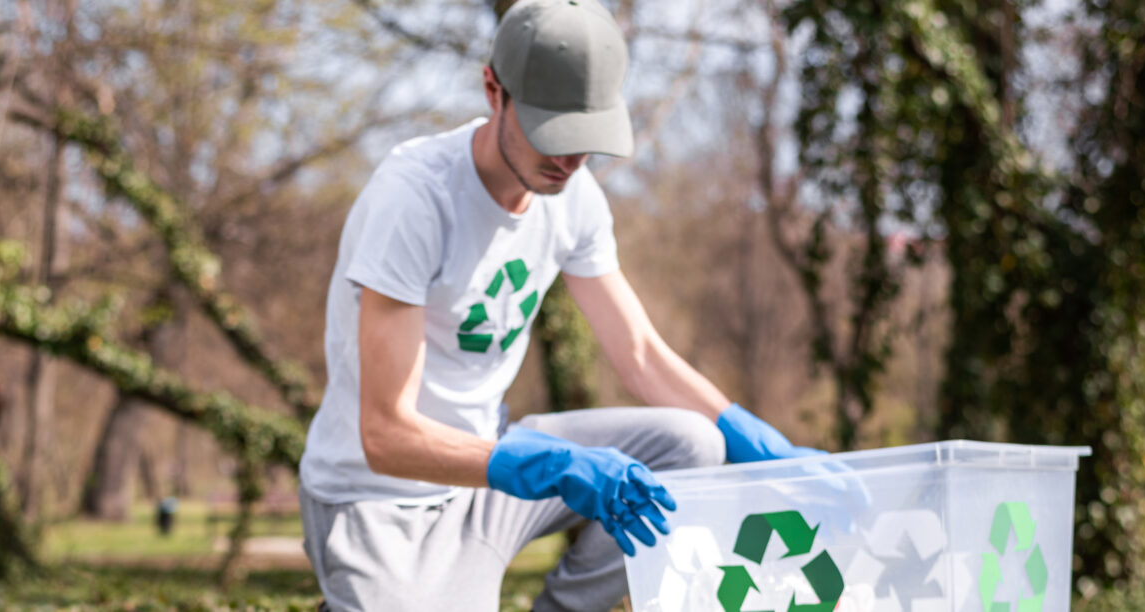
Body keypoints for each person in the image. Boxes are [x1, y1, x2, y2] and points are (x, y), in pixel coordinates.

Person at [297, 0, 821, 609]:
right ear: (493, 90)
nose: (569, 160)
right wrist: (543, 465)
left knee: (694, 447)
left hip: (489, 482)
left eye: (585, 138)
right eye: (552, 132)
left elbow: (640, 354)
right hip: (378, 499)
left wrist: (747, 437)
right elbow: (386, 436)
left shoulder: (575, 200)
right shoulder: (415, 200)